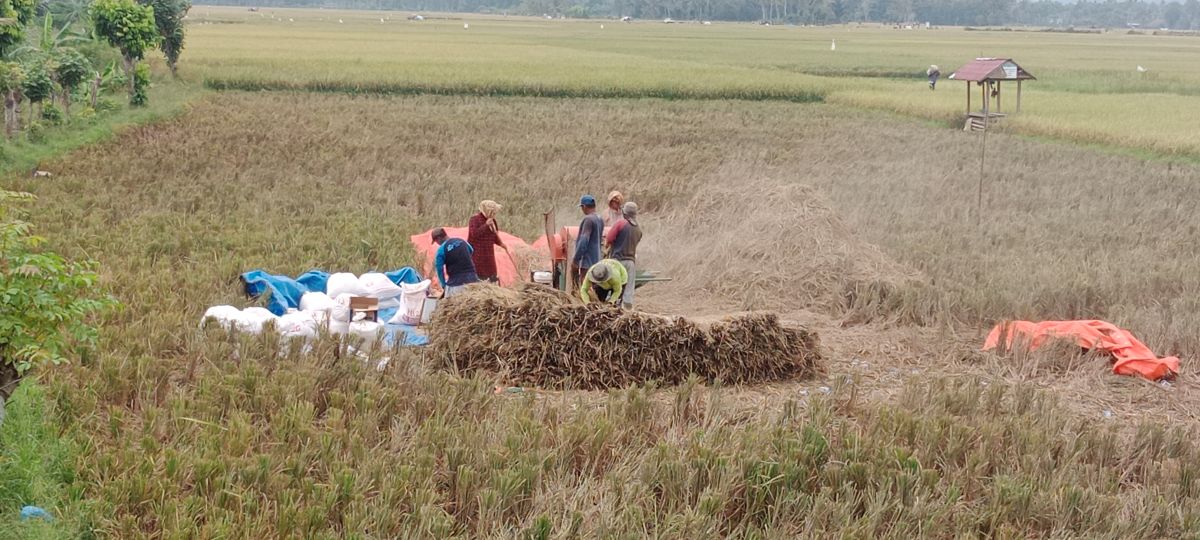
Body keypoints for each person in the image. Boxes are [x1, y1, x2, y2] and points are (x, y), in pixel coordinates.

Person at [605, 201, 642, 308]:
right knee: (628, 289)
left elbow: (610, 238)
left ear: (624, 213)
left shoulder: (621, 223)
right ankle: (627, 310)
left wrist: (607, 247)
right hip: (630, 262)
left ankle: (609, 306)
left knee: (612, 285)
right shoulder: (638, 229)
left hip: (617, 260)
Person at [467, 200, 508, 283]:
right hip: (477, 254)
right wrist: (486, 225)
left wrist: (501, 244)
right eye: (492, 212)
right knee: (479, 275)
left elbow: (494, 236)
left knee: (491, 274)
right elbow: (474, 234)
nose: (494, 214)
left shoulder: (493, 221)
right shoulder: (475, 220)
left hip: (488, 253)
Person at [431, 228, 478, 298]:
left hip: (456, 284)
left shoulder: (441, 250)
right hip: (473, 280)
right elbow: (471, 250)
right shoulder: (462, 241)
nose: (437, 243)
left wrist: (444, 285)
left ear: (438, 238)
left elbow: (439, 269)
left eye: (436, 241)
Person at [572, 194, 604, 286]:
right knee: (594, 287)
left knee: (585, 288)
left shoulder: (588, 220)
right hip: (597, 259)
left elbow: (584, 241)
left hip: (587, 261)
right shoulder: (599, 218)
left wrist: (576, 259)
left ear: (584, 206)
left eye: (582, 207)